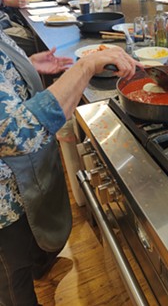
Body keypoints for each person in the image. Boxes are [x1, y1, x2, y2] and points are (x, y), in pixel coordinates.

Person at [0, 26, 142, 306]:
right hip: (4, 203)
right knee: (11, 279)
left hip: (21, 181)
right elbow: (18, 132)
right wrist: (86, 66)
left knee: (29, 243)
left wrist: (24, 67)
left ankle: (39, 269)